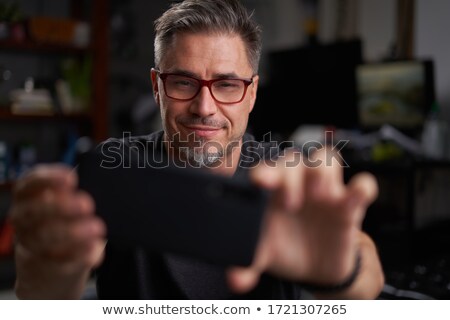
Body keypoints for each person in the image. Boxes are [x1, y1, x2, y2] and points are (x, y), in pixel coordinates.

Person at [10, 0, 384, 299]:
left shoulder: (286, 177)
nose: (204, 108)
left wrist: (342, 275)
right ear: (157, 86)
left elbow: (368, 274)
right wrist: (50, 267)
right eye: (184, 82)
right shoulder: (114, 172)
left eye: (226, 85)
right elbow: (37, 298)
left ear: (251, 93)